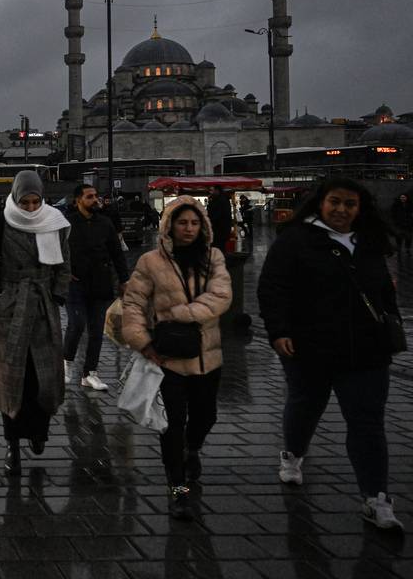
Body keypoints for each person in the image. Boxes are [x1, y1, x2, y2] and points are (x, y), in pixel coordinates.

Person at [258, 177, 404, 531]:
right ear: (320, 203)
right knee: (306, 405)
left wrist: (391, 321)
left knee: (367, 423)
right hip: (310, 346)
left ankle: (376, 499)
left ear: (360, 208)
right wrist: (279, 331)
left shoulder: (369, 242)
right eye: (335, 202)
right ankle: (293, 455)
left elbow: (384, 290)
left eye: (350, 204)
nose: (341, 210)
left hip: (366, 350)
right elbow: (272, 287)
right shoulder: (295, 239)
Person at [121, 197, 232, 520]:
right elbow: (133, 304)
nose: (188, 229)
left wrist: (180, 314)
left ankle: (192, 448)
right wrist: (141, 341)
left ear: (203, 227)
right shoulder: (150, 262)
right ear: (170, 225)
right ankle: (178, 489)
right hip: (167, 358)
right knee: (172, 425)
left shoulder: (213, 258)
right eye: (182, 223)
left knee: (205, 416)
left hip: (207, 356)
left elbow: (221, 296)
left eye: (195, 223)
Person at [0, 171, 70, 476]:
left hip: (42, 307)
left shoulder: (54, 223)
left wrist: (57, 293)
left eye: (35, 202)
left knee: (44, 377)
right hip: (11, 308)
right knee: (12, 379)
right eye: (25, 202)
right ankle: (12, 445)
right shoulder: (1, 222)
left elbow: (65, 264)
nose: (30, 208)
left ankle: (39, 431)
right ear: (15, 199)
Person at [62, 184, 130, 390]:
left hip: (100, 283)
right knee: (76, 324)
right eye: (89, 197)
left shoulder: (105, 223)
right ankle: (67, 366)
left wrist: (124, 279)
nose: (95, 200)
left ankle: (90, 373)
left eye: (95, 196)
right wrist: (62, 272)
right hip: (74, 284)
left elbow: (117, 252)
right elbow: (55, 250)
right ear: (78, 200)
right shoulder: (67, 223)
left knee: (96, 330)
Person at [206, 185, 233, 253]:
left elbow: (215, 215)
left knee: (218, 248)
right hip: (221, 230)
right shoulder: (222, 199)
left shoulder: (220, 200)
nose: (211, 192)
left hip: (219, 230)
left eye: (212, 190)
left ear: (217, 191)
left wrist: (210, 203)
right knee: (220, 248)